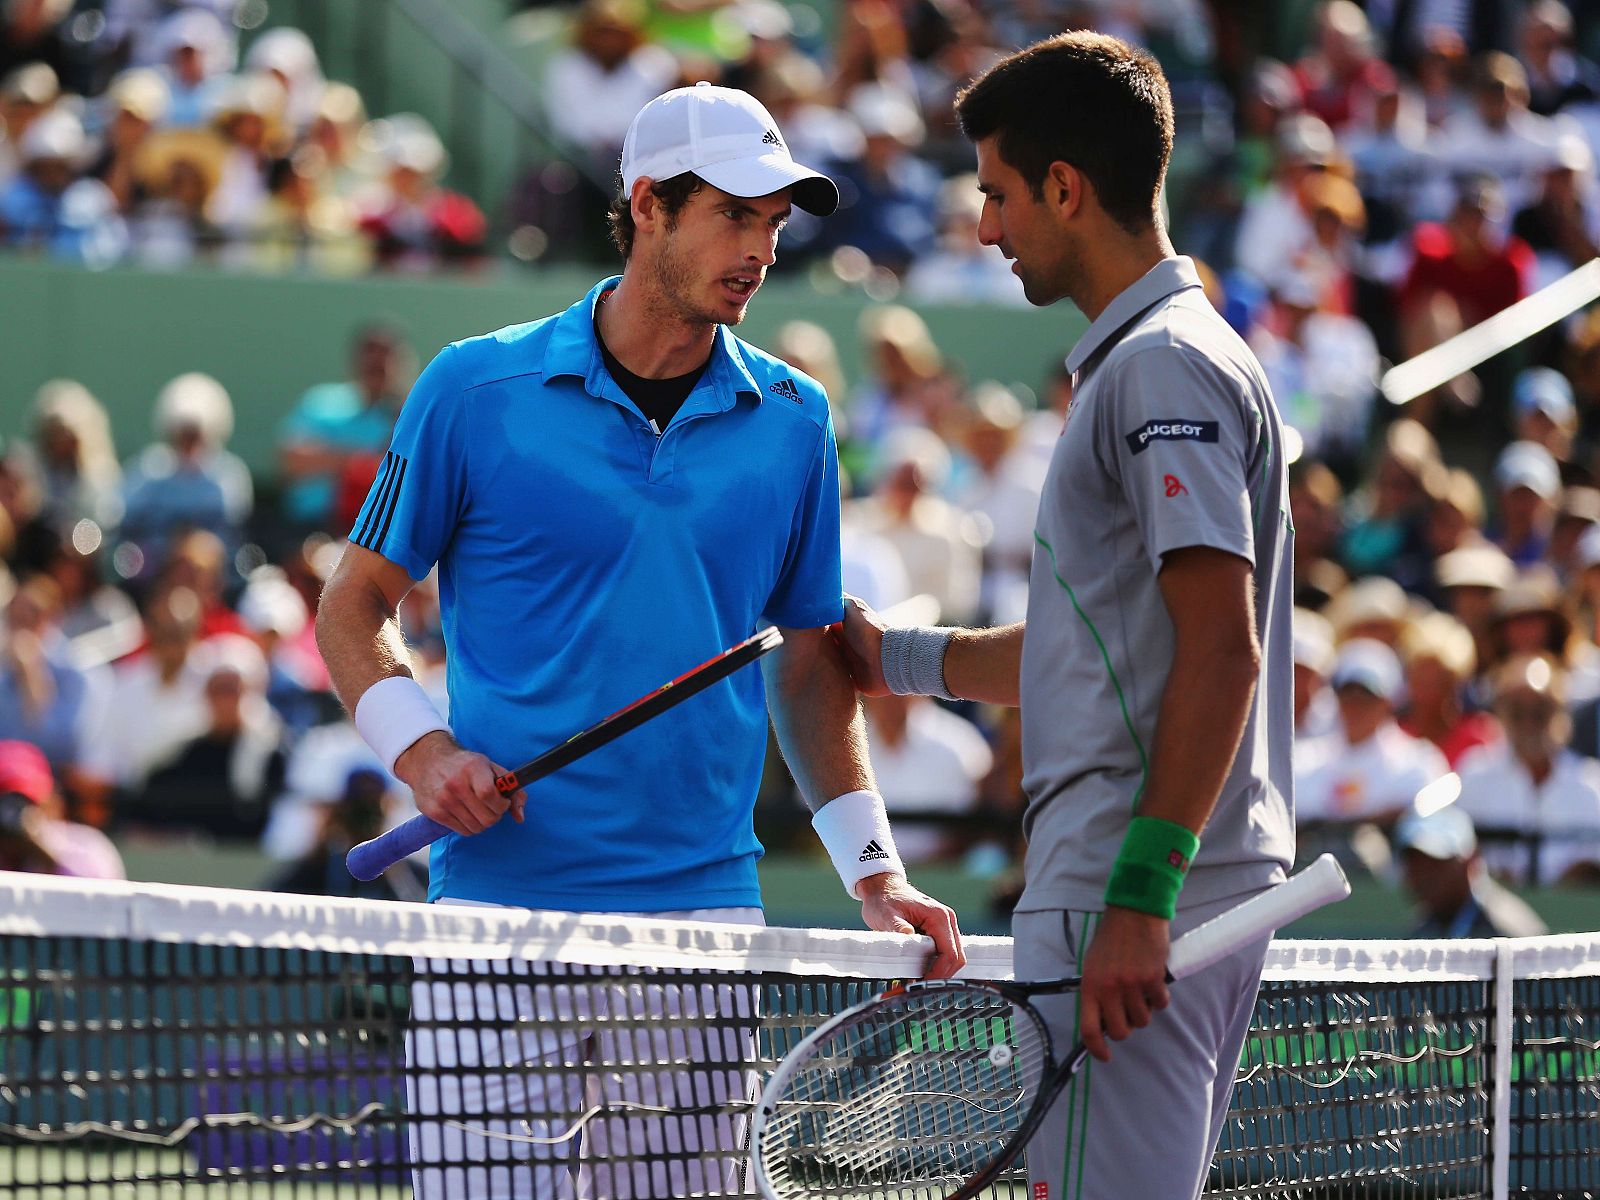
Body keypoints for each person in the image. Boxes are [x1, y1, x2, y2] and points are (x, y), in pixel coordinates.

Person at [313, 82, 963, 1198]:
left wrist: (872, 866)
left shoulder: (799, 421)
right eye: (736, 215)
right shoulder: (473, 388)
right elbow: (351, 606)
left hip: (702, 922)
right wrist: (425, 756)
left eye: (774, 222)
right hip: (499, 921)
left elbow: (808, 661)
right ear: (650, 204)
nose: (762, 247)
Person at [835, 33, 1294, 1200]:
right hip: (1161, 884)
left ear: (1063, 189)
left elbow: (1220, 651)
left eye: (994, 194)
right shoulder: (1175, 357)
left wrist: (1137, 894)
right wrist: (891, 656)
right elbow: (1096, 650)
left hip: (1124, 892)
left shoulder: (1158, 369)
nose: (984, 228)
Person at [1394, 804, 1547, 937]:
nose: (1422, 875)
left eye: (1435, 864)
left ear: (1471, 859)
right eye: (1413, 864)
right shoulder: (1422, 927)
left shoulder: (1509, 932)